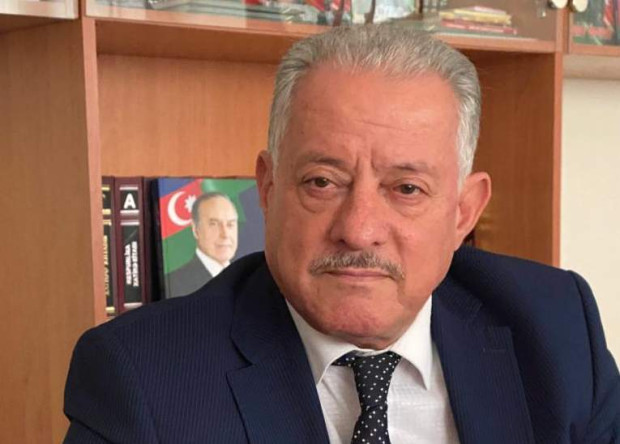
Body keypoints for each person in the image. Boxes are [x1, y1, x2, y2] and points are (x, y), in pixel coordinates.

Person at [64, 25, 619, 443]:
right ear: (268, 188)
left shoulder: (556, 330)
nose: (358, 230)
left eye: (406, 189)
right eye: (323, 182)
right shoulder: (143, 376)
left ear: (463, 212)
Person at [167, 192, 239, 298]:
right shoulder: (175, 282)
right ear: (196, 230)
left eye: (230, 224)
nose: (225, 234)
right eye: (214, 224)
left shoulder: (249, 278)